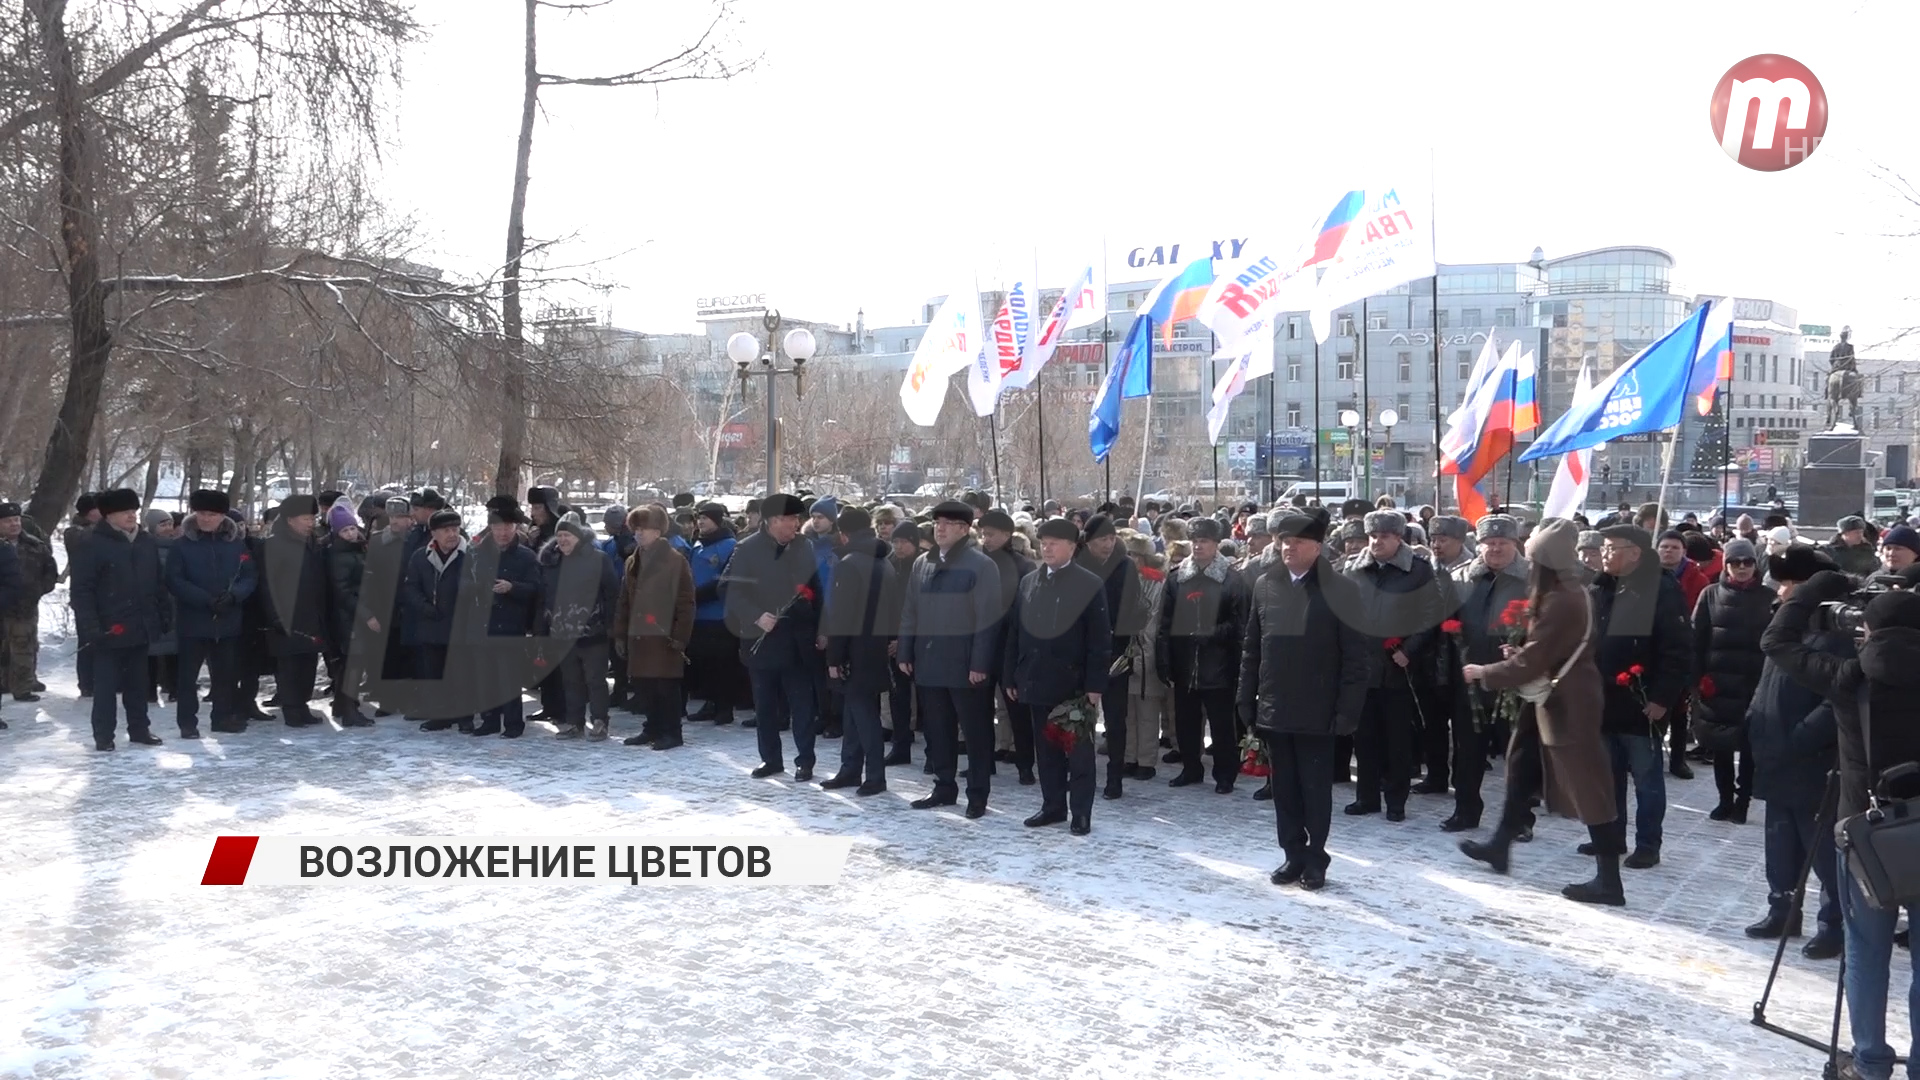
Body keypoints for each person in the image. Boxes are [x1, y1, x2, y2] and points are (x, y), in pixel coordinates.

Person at [1763, 573, 1920, 1080]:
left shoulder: (1846, 677)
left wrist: (1816, 586)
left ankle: (1870, 1060)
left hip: (1864, 833)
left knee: (1867, 951)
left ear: (1868, 632)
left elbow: (1776, 640)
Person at [1459, 518, 1625, 905]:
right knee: (1521, 767)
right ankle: (1501, 843)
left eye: (1534, 558)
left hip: (1568, 702)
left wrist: (1487, 672)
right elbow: (1544, 654)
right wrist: (1520, 657)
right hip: (1551, 698)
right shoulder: (1563, 590)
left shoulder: (1563, 598)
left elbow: (1537, 659)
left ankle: (1610, 881)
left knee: (1589, 787)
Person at [1239, 508, 1370, 891]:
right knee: (1285, 790)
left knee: (1315, 790)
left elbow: (1355, 658)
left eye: (1297, 542)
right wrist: (1245, 697)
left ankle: (1316, 859)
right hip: (1276, 708)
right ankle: (1292, 854)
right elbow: (1251, 648)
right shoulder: (1266, 585)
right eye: (1283, 541)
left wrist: (1348, 711)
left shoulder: (1342, 589)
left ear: (1317, 546)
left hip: (1319, 710)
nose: (1288, 547)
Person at [1744, 544, 1846, 961]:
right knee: (1779, 843)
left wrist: (1802, 736)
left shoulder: (1836, 633)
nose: (1781, 591)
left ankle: (1832, 922)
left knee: (1820, 848)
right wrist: (1754, 717)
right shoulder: (1784, 626)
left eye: (1790, 583)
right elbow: (1767, 680)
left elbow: (1837, 699)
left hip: (1809, 758)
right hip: (1775, 749)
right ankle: (1782, 909)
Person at [1590, 524, 1693, 870]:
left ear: (1635, 553)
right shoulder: (1600, 586)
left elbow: (1677, 649)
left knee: (1646, 779)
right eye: (1602, 548)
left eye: (1611, 548)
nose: (1604, 554)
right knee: (1608, 777)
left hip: (1642, 701)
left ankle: (1648, 843)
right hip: (1603, 700)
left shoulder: (1660, 588)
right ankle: (1610, 837)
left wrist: (1663, 697)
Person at [1005, 517, 1111, 835]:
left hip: (1074, 685)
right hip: (1037, 678)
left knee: (1078, 754)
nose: (1046, 548)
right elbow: (1015, 633)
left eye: (1054, 542)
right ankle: (1052, 806)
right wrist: (1011, 674)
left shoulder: (1089, 583)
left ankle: (1080, 812)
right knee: (1046, 751)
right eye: (1043, 542)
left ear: (1071, 546)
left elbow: (1099, 640)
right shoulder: (1029, 581)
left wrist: (1094, 685)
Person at [896, 500, 1001, 816]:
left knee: (975, 732)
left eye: (947, 523)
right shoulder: (922, 563)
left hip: (965, 665)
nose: (939, 528)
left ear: (964, 529)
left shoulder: (981, 566)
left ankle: (978, 794)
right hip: (929, 661)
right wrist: (905, 650)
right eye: (936, 522)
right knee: (937, 730)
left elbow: (987, 620)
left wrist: (979, 664)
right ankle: (944, 787)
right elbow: (910, 610)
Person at [1342, 509, 1445, 822]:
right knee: (1365, 737)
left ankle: (1396, 800)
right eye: (1373, 536)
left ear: (1399, 538)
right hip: (1362, 668)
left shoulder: (1418, 570)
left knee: (1397, 739)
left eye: (1384, 537)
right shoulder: (1355, 569)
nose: (1376, 542)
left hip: (1398, 668)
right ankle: (1367, 797)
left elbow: (1431, 614)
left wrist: (1409, 650)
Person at [1435, 514, 1531, 832]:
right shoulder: (1460, 578)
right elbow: (1444, 631)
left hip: (1515, 683)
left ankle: (1520, 818)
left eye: (1502, 543)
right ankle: (1465, 811)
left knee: (1516, 755)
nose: (1495, 549)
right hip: (1470, 681)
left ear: (1515, 544)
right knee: (1467, 753)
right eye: (1489, 543)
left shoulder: (1533, 579)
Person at [726, 493, 824, 779]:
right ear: (773, 521)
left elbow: (815, 588)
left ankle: (805, 760)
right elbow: (730, 591)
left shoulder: (804, 547)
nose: (797, 525)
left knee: (802, 705)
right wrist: (756, 615)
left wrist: (822, 627)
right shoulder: (746, 549)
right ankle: (770, 759)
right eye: (792, 519)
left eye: (798, 519)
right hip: (763, 641)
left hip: (799, 641)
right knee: (766, 706)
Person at [71, 489, 170, 750]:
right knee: (105, 688)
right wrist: (91, 625)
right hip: (109, 628)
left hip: (141, 624)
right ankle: (104, 735)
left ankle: (139, 729)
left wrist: (163, 614)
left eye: (134, 511)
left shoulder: (145, 541)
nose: (131, 516)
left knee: (139, 684)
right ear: (108, 515)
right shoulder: (91, 543)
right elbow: (82, 590)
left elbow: (158, 583)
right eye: (124, 512)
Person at [1157, 516, 1248, 794]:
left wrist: (1213, 632)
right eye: (1195, 541)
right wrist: (1165, 660)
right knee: (1185, 723)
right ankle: (1191, 768)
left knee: (1222, 726)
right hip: (1185, 664)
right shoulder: (1176, 579)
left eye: (1204, 541)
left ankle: (1225, 774)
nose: (1198, 547)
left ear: (1216, 544)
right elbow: (1165, 623)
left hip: (1219, 665)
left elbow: (1240, 624)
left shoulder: (1232, 580)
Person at [1689, 537, 1773, 823]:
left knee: (1749, 749)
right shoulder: (1710, 595)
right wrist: (1698, 678)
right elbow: (1696, 639)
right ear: (1725, 565)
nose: (1741, 567)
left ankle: (1743, 801)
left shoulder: (1768, 598)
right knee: (1721, 746)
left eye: (1747, 562)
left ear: (1755, 564)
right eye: (1735, 562)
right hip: (1719, 684)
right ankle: (1724, 800)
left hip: (1754, 684)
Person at [166, 490, 257, 736]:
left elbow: (249, 576)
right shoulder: (182, 546)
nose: (206, 519)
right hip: (193, 620)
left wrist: (234, 596)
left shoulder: (236, 545)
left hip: (228, 619)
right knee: (187, 677)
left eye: (212, 514)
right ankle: (187, 723)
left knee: (225, 675)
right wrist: (205, 600)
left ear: (222, 516)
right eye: (202, 514)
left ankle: (222, 718)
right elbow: (175, 580)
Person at [821, 507, 899, 794]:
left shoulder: (849, 563)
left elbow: (841, 615)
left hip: (855, 650)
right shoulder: (885, 562)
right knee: (856, 714)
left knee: (863, 715)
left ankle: (874, 776)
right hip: (877, 647)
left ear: (843, 534)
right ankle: (850, 769)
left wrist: (834, 658)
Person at [613, 506, 695, 749]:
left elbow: (686, 601)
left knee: (665, 686)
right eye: (635, 529)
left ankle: (671, 732)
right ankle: (652, 728)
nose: (638, 534)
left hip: (663, 634)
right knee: (644, 685)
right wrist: (619, 633)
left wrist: (680, 636)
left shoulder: (675, 560)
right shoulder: (632, 560)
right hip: (638, 634)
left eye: (644, 529)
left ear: (658, 531)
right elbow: (623, 600)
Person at [1079, 513, 1146, 799]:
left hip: (1117, 651)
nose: (1107, 544)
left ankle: (1114, 777)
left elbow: (1133, 605)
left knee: (1116, 719)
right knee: (1080, 716)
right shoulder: (1079, 564)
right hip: (1083, 653)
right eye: (1101, 539)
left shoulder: (1125, 566)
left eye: (1111, 538)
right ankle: (1082, 773)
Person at [462, 497, 541, 738]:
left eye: (508, 527)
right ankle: (489, 721)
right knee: (485, 678)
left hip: (510, 625)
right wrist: (478, 587)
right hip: (481, 624)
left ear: (515, 528)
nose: (503, 532)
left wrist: (513, 587)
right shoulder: (475, 553)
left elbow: (536, 589)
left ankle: (514, 724)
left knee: (509, 679)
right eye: (498, 527)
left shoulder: (526, 556)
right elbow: (462, 585)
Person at [541, 515, 621, 741]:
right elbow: (544, 595)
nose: (563, 540)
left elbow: (611, 592)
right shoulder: (551, 561)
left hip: (592, 632)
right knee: (570, 681)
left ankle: (599, 721)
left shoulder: (598, 559)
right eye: (559, 535)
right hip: (562, 634)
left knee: (595, 680)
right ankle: (574, 721)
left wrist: (608, 624)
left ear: (579, 537)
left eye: (568, 535)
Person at [260, 495, 331, 727]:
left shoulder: (311, 541)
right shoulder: (275, 543)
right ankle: (292, 710)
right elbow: (268, 584)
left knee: (308, 663)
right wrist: (275, 616)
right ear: (290, 520)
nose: (311, 522)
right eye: (306, 518)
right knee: (289, 665)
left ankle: (302, 706)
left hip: (311, 613)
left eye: (313, 518)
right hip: (286, 615)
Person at [978, 509, 1038, 783]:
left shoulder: (1023, 566)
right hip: (980, 644)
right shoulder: (975, 563)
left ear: (1006, 535)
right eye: (983, 533)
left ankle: (1025, 764)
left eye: (991, 534)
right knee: (978, 708)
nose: (986, 539)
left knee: (1017, 709)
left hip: (1009, 644)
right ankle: (983, 762)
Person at [405, 509, 472, 732]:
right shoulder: (420, 556)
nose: (452, 534)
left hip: (462, 626)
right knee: (434, 674)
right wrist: (425, 607)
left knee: (462, 674)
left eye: (455, 529)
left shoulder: (472, 555)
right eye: (446, 530)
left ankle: (465, 717)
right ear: (434, 533)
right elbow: (411, 588)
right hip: (431, 625)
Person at [1119, 535, 1169, 783]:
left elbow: (1153, 623)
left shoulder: (1156, 583)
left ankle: (1146, 760)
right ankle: (1129, 756)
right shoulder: (1123, 581)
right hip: (1125, 653)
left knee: (1147, 710)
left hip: (1146, 653)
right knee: (1127, 710)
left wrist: (1141, 654)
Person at [686, 502, 741, 726]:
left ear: (717, 521)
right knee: (705, 663)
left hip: (720, 614)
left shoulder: (729, 545)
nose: (700, 522)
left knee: (723, 664)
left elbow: (726, 579)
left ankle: (724, 707)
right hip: (699, 615)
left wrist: (699, 595)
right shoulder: (698, 544)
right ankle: (710, 702)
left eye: (705, 518)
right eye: (699, 518)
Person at [321, 503, 374, 727]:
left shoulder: (356, 549)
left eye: (353, 528)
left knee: (351, 664)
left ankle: (343, 705)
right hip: (347, 618)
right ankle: (350, 710)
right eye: (345, 530)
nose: (351, 533)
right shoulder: (338, 555)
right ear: (336, 533)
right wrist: (367, 616)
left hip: (354, 615)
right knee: (352, 664)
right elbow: (343, 592)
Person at [0, 502, 57, 702]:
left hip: (25, 606)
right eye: (7, 521)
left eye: (16, 520)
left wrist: (38, 590)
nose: (14, 524)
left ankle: (23, 687)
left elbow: (50, 572)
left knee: (25, 647)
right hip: (2, 605)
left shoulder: (35, 545)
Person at [883, 521, 922, 764]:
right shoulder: (890, 565)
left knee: (928, 700)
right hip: (892, 639)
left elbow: (922, 609)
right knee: (898, 696)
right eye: (895, 542)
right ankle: (900, 746)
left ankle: (934, 754)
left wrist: (904, 640)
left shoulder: (923, 565)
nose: (898, 546)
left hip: (918, 641)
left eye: (903, 542)